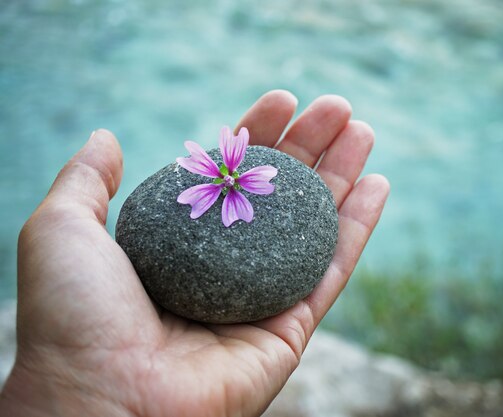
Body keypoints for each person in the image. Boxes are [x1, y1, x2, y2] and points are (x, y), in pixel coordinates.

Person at [0, 90, 389, 417]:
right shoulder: (215, 178)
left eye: (230, 175)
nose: (229, 176)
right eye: (225, 175)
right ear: (218, 172)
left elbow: (250, 187)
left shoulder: (238, 177)